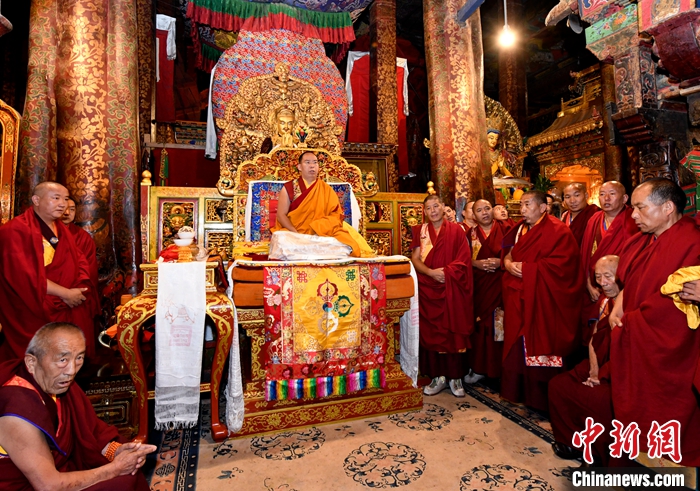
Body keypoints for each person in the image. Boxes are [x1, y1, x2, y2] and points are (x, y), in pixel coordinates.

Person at [609, 178, 700, 466]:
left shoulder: (691, 241)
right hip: (638, 340)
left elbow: (676, 303)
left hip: (669, 350)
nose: (633, 215)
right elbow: (632, 278)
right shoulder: (645, 240)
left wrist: (635, 321)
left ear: (668, 208)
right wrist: (620, 304)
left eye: (640, 207)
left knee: (667, 419)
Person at [0, 322, 156, 490]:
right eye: (62, 360)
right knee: (122, 483)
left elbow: (91, 433)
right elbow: (48, 486)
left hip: (57, 471)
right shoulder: (16, 410)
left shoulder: (59, 383)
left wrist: (116, 451)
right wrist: (115, 468)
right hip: (35, 484)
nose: (72, 370)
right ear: (31, 362)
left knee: (128, 476)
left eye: (79, 358)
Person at [501, 190, 583, 411]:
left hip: (544, 300)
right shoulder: (520, 229)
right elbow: (508, 253)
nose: (523, 209)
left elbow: (564, 267)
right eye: (521, 205)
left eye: (527, 205)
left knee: (542, 347)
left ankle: (543, 400)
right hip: (521, 299)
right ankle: (522, 394)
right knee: (519, 350)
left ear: (543, 207)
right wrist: (508, 265)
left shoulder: (558, 231)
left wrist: (528, 270)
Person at [0, 182, 97, 360]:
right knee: (37, 358)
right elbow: (24, 277)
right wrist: (65, 293)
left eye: (66, 199)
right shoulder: (14, 231)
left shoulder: (63, 231)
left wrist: (79, 289)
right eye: (56, 198)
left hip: (67, 305)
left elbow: (80, 262)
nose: (63, 204)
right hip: (33, 307)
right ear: (36, 200)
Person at [548, 255, 620, 465]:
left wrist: (602, 375)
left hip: (620, 367)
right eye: (598, 277)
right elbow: (595, 337)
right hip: (600, 361)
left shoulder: (630, 301)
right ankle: (571, 441)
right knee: (559, 385)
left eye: (608, 276)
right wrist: (594, 372)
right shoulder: (605, 300)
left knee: (599, 400)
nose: (602, 282)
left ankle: (599, 454)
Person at [411, 195, 474, 397]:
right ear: (425, 212)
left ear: (443, 207)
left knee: (453, 331)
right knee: (433, 332)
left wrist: (445, 273)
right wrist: (430, 273)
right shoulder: (420, 231)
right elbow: (415, 258)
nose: (433, 210)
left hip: (452, 287)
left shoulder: (457, 230)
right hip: (429, 287)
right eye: (428, 208)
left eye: (436, 206)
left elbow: (464, 258)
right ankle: (438, 376)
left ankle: (455, 378)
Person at [271, 151, 373, 257]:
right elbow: (281, 215)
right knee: (281, 238)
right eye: (307, 162)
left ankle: (308, 251)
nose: (312, 166)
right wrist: (295, 233)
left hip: (320, 234)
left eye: (315, 162)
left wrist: (319, 227)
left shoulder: (326, 189)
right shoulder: (289, 188)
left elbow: (335, 215)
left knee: (344, 243)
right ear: (299, 167)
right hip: (294, 233)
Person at [579, 181, 637, 333]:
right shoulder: (594, 219)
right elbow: (584, 255)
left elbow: (636, 258)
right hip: (595, 285)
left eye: (612, 194)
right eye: (602, 194)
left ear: (624, 198)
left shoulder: (633, 220)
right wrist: (588, 284)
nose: (606, 198)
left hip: (622, 288)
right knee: (595, 332)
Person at [465, 199, 511, 383]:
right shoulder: (470, 234)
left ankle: (501, 369)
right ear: (473, 215)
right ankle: (479, 368)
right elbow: (462, 259)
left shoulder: (506, 230)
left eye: (487, 208)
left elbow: (517, 254)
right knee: (481, 326)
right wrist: (476, 263)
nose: (484, 212)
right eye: (479, 210)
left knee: (501, 327)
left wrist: (501, 263)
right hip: (480, 287)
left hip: (501, 286)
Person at [62, 198, 101, 323]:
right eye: (63, 208)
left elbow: (90, 270)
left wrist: (78, 292)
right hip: (53, 295)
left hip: (78, 294)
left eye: (72, 209)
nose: (67, 213)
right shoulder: (44, 235)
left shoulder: (82, 237)